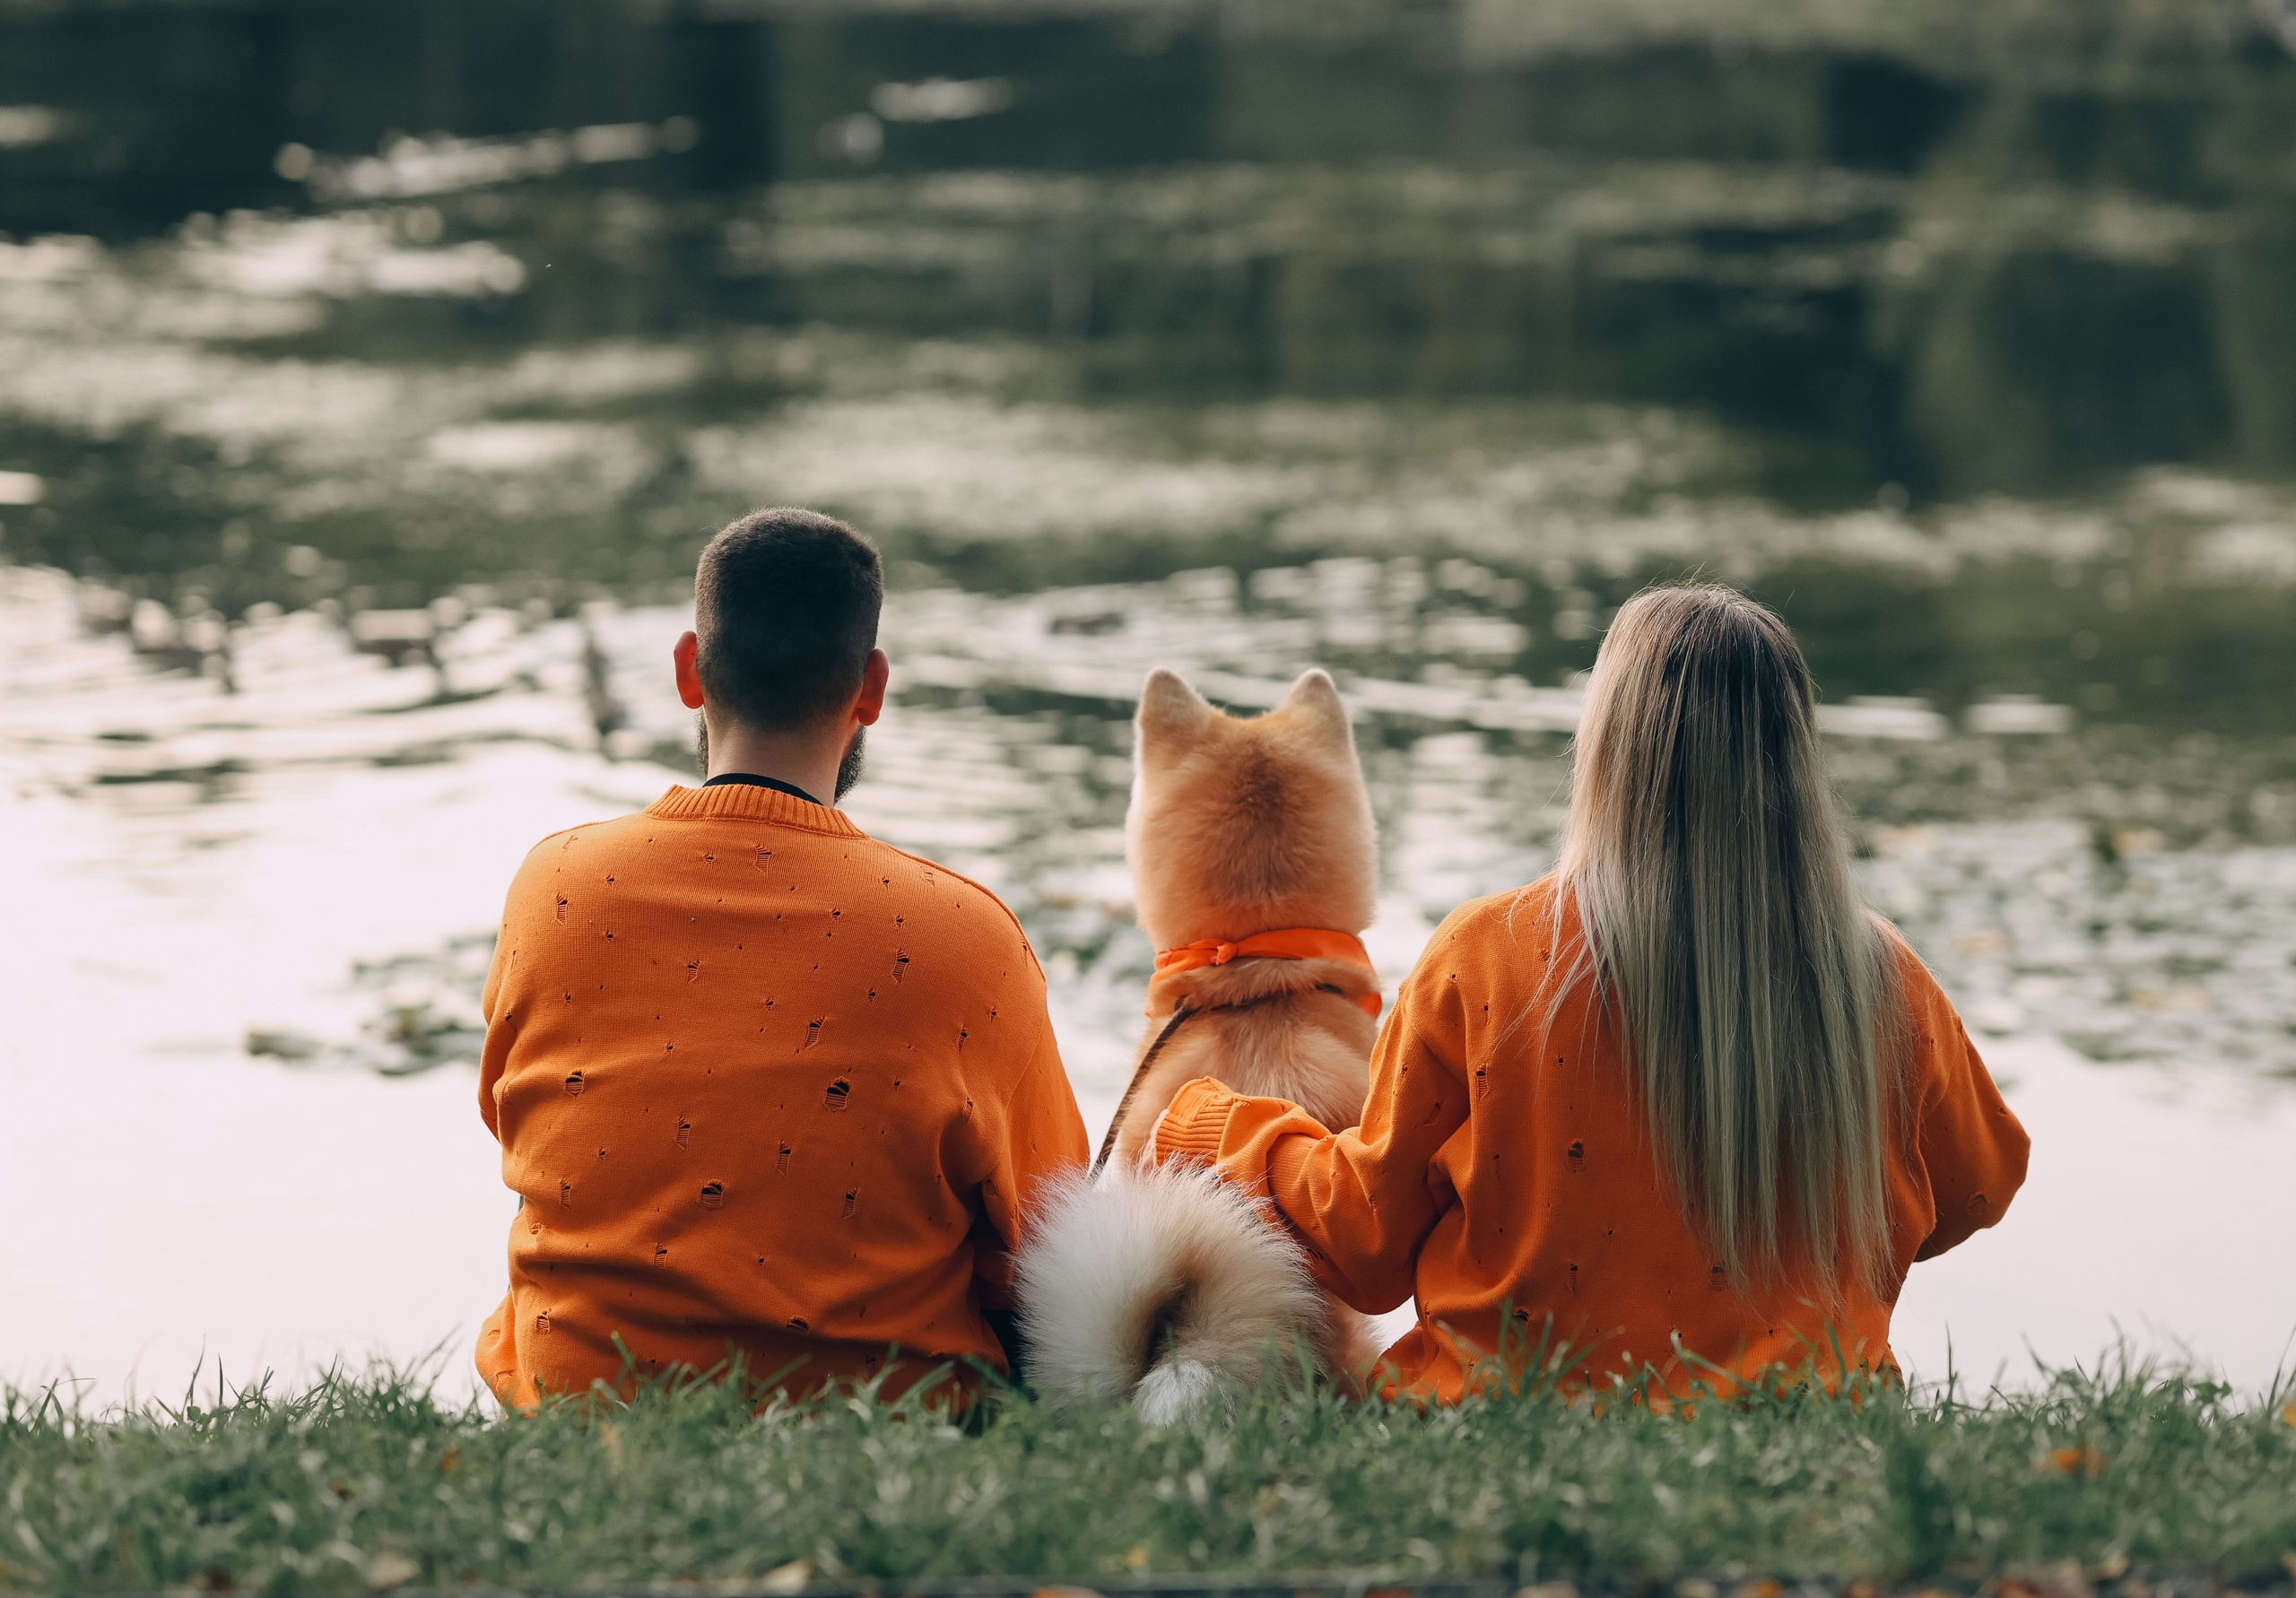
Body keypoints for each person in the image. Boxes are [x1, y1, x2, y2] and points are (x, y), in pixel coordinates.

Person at [1149, 584, 2030, 1402]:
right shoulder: (1883, 978)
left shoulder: (1483, 956)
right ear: (1798, 758)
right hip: (1816, 1410)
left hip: (1497, 1414)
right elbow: (1979, 1188)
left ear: (1607, 748)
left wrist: (1211, 1125)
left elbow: (1367, 1244)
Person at [474, 508, 1088, 1409]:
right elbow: (1049, 1230)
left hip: (584, 1403)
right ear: (871, 688)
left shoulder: (555, 889)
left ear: (689, 670)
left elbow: (513, 1122)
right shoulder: (966, 937)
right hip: (881, 1418)